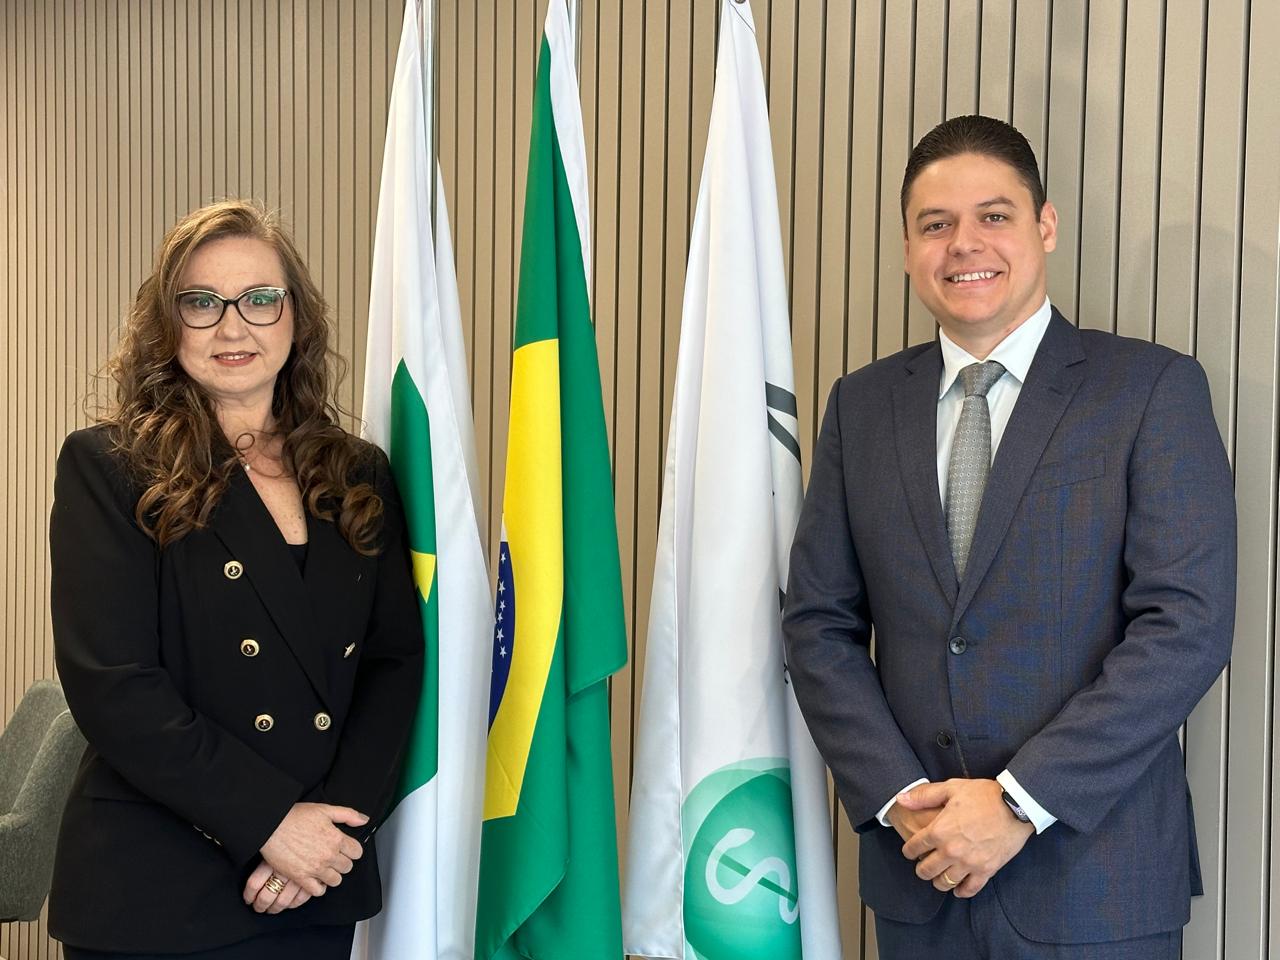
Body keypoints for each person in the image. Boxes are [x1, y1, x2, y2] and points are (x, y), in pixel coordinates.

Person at [783, 115, 1236, 959]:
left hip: (1096, 886)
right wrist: (899, 795)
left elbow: (1187, 626)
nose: (965, 244)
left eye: (994, 216)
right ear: (908, 248)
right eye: (936, 224)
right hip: (920, 874)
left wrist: (1021, 801)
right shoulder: (862, 406)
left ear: (1044, 225)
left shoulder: (1149, 390)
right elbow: (819, 623)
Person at [47, 200, 424, 959]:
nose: (232, 327)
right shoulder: (110, 467)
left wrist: (333, 830)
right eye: (202, 302)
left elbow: (394, 664)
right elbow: (115, 686)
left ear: (295, 319)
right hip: (159, 891)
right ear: (168, 325)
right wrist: (271, 824)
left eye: (260, 299)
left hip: (312, 882)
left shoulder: (356, 474)